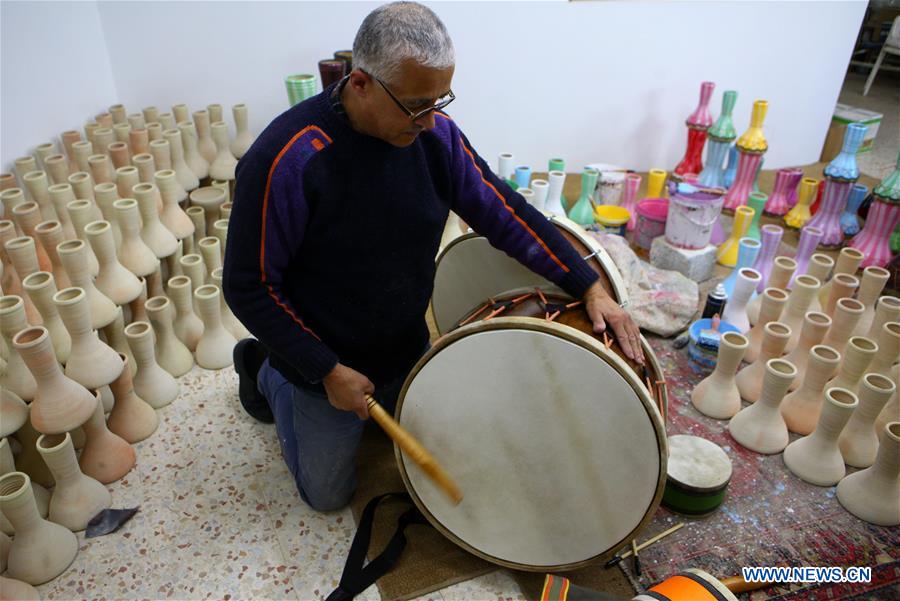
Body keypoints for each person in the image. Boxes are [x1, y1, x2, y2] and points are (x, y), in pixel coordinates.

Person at [222, 1, 644, 512]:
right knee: (328, 496)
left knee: (465, 452)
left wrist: (589, 285)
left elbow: (506, 211)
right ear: (360, 83)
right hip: (325, 357)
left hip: (404, 346)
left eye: (439, 100)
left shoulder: (436, 137)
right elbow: (249, 285)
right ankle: (266, 369)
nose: (430, 120)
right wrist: (324, 370)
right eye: (416, 104)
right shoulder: (288, 158)